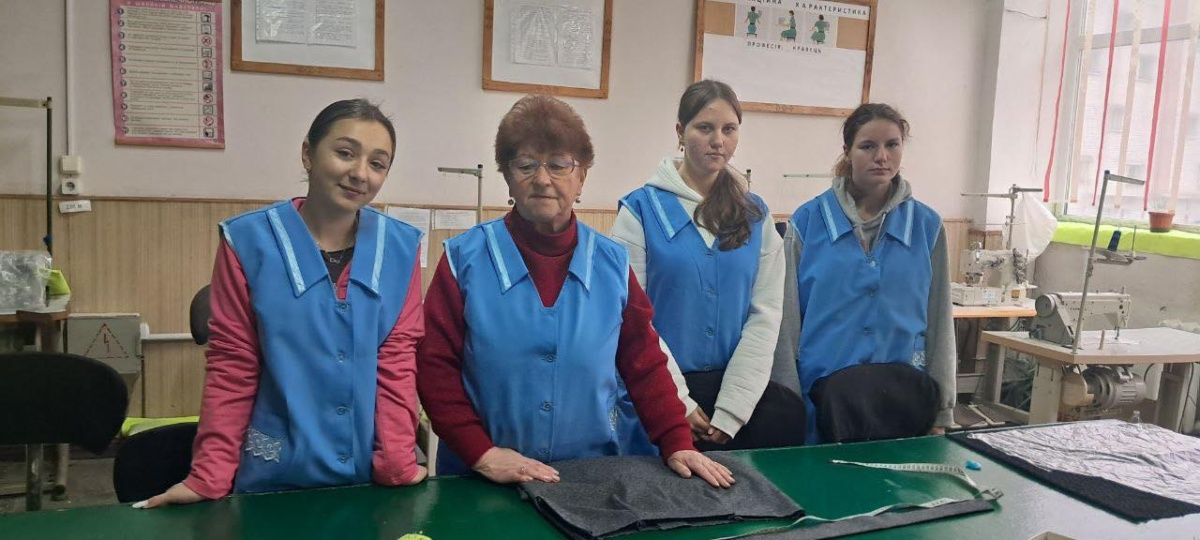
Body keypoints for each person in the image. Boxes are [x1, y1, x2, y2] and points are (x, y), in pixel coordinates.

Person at [417, 95, 734, 488]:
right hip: (482, 479)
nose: (542, 179)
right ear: (507, 176)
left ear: (582, 176)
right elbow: (434, 368)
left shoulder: (611, 264)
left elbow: (644, 361)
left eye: (559, 164)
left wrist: (676, 442)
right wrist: (481, 453)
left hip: (587, 479)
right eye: (526, 164)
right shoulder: (464, 260)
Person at [143, 99, 426, 507]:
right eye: (345, 153)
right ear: (308, 154)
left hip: (366, 474)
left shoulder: (400, 247)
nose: (360, 173)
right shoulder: (248, 242)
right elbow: (233, 365)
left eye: (378, 163)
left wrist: (397, 462)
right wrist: (208, 476)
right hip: (274, 473)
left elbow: (397, 361)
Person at [611, 80, 801, 452]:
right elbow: (632, 319)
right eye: (705, 128)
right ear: (680, 132)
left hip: (736, 403)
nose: (718, 141)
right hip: (659, 400)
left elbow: (765, 314)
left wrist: (733, 408)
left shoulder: (756, 215)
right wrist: (675, 403)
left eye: (729, 129)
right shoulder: (640, 211)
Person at [779, 103, 955, 445]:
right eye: (868, 146)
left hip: (903, 404)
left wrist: (942, 412)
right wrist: (788, 406)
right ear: (847, 151)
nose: (882, 157)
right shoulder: (808, 222)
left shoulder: (926, 226)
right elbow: (786, 323)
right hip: (822, 403)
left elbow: (940, 321)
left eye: (892, 145)